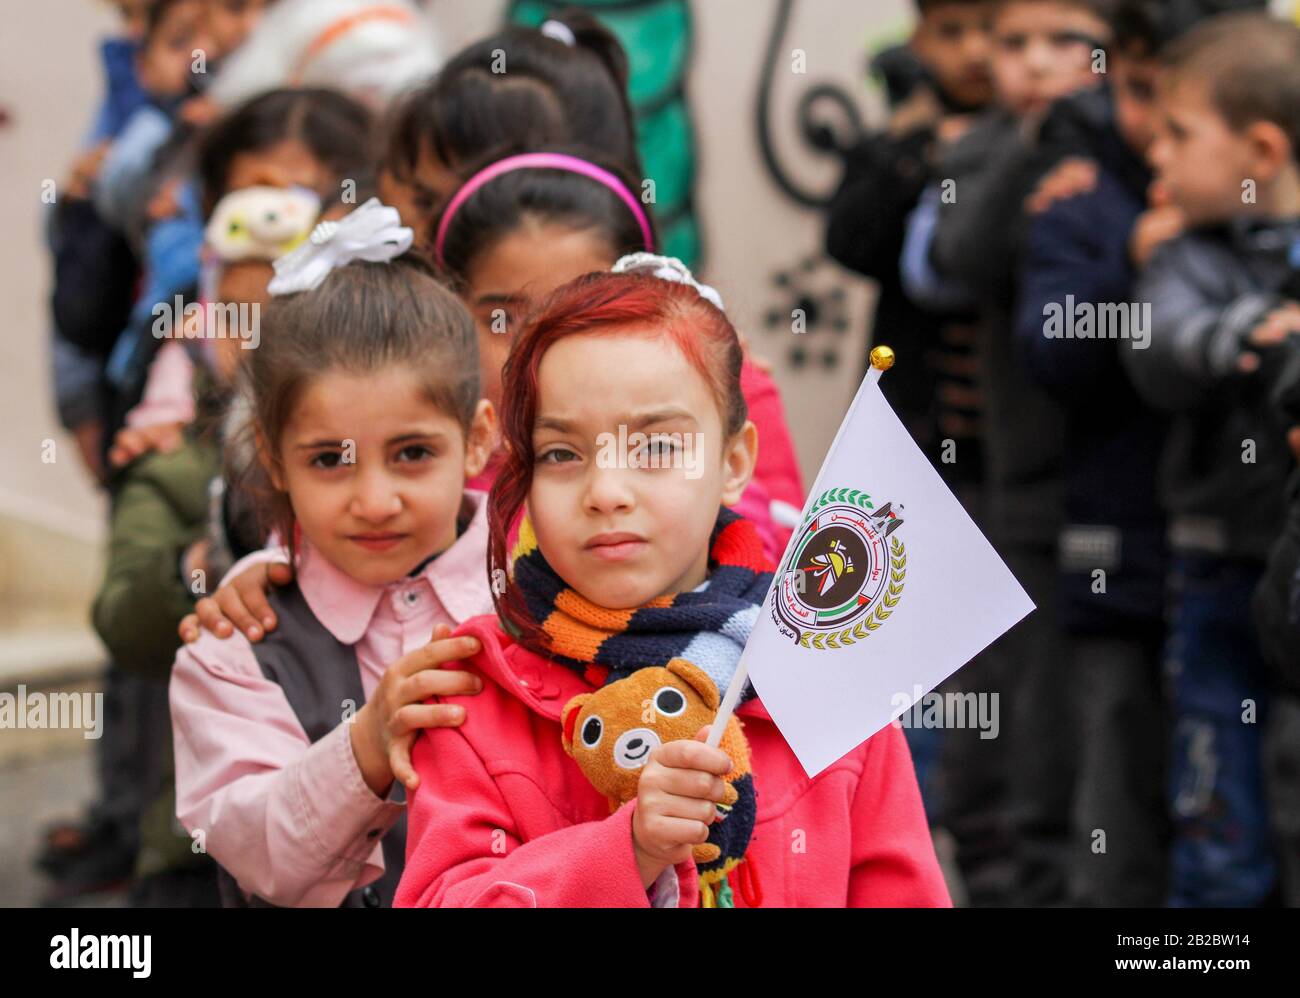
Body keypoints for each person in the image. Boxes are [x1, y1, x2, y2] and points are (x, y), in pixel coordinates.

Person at [395, 260, 951, 907]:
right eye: (562, 454)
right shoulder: (472, 695)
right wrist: (624, 853)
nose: (606, 492)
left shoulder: (824, 676)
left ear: (735, 461)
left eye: (656, 447)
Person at [169, 201, 497, 906]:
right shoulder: (234, 648)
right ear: (271, 457)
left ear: (476, 439)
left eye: (412, 453)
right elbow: (262, 854)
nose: (375, 500)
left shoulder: (544, 594)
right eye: (329, 460)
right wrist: (368, 746)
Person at [1123, 11, 1300, 906]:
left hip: (1292, 567)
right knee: (1214, 800)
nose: (1156, 162)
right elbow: (1156, 348)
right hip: (1214, 567)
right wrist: (1248, 336)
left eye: (1179, 138)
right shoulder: (1184, 255)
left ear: (1263, 149)